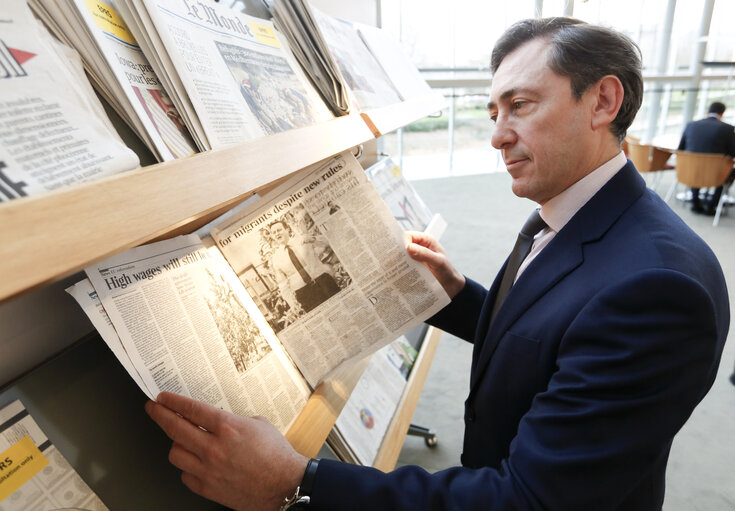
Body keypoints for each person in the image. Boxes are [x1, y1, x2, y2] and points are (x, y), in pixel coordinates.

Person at [144, 17, 729, 511]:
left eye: (520, 106)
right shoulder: (582, 214)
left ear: (603, 101)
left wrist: (298, 482)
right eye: (494, 111)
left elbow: (529, 498)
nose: (498, 136)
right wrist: (458, 296)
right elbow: (560, 335)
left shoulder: (658, 288)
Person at [268, 219, 340, 314]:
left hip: (323, 281)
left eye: (279, 230)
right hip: (304, 293)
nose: (277, 234)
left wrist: (313, 239)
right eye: (274, 232)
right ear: (272, 236)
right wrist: (293, 304)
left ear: (287, 229)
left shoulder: (303, 240)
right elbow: (283, 285)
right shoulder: (276, 258)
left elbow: (328, 242)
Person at [677, 101, 735, 215]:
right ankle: (711, 205)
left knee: (696, 165)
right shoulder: (728, 129)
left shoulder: (691, 125)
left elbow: (681, 148)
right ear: (722, 113)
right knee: (729, 172)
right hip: (716, 174)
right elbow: (733, 153)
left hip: (691, 171)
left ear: (708, 111)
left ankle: (695, 202)